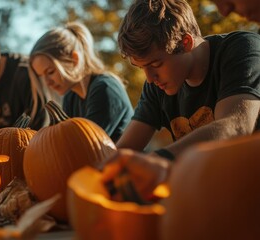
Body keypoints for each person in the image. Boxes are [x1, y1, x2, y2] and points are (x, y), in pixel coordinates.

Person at [100, 0, 260, 200]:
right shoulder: (156, 86)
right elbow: (124, 149)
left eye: (156, 64)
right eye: (141, 68)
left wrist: (160, 159)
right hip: (202, 199)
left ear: (185, 43)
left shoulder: (240, 49)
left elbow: (237, 126)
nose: (149, 78)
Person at [29, 21, 134, 142]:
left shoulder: (105, 89)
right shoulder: (71, 97)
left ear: (74, 59)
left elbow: (83, 145)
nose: (47, 82)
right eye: (41, 76)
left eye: (50, 72)